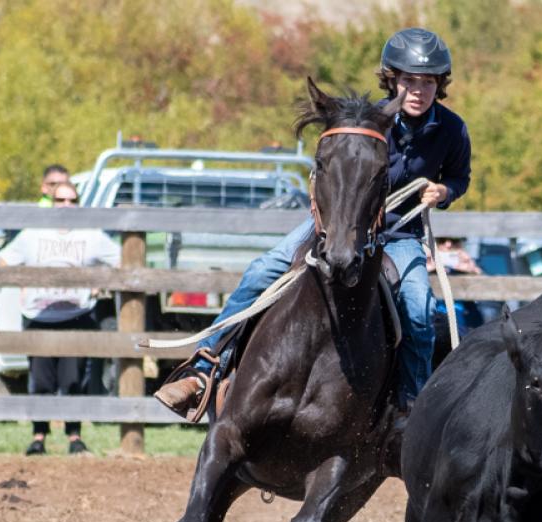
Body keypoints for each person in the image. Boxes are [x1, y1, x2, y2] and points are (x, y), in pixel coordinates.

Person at [154, 27, 470, 420]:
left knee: (420, 310)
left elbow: (459, 176)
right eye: (408, 80)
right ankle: (204, 370)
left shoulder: (453, 130)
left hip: (399, 234)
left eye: (428, 82)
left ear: (440, 85)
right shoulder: (365, 122)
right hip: (339, 228)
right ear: (392, 79)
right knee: (260, 271)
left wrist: (444, 192)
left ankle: (411, 409)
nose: (417, 90)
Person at [0, 181, 121, 455]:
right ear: (50, 203)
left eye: (72, 201)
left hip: (76, 316)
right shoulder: (32, 235)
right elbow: (2, 263)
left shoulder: (91, 236)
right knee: (41, 382)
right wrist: (21, 283)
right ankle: (38, 436)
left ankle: (74, 437)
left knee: (73, 381)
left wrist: (101, 281)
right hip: (39, 317)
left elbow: (123, 261)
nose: (66, 206)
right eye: (60, 200)